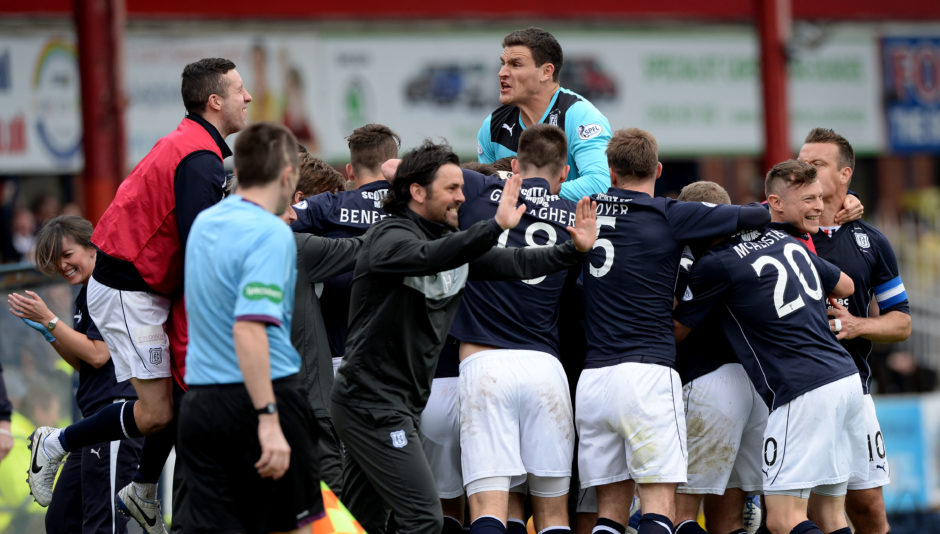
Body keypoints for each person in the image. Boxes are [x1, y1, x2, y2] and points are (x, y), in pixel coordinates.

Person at [25, 57, 251, 534]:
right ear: (215, 101)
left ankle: (144, 488)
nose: (247, 97)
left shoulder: (192, 145)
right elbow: (199, 251)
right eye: (239, 90)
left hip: (141, 291)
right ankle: (57, 444)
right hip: (131, 293)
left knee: (171, 403)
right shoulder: (199, 157)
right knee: (156, 412)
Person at [330, 139, 598, 534]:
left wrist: (572, 251)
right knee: (424, 518)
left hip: (396, 404)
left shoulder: (447, 242)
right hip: (371, 404)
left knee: (355, 521)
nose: (461, 198)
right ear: (418, 192)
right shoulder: (389, 236)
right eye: (452, 190)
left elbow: (515, 261)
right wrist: (493, 227)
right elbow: (428, 258)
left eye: (461, 188)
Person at [575, 128, 771, 534]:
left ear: (610, 172)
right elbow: (758, 213)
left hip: (593, 378)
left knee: (608, 513)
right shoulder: (670, 214)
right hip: (648, 374)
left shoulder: (583, 210)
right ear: (658, 169)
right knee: (661, 508)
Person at [673, 160, 865, 534]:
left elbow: (677, 329)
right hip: (844, 379)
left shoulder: (716, 263)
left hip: (800, 390)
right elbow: (845, 285)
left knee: (782, 520)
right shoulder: (782, 238)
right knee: (828, 515)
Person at [177, 122, 323, 533]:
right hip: (263, 396)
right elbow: (249, 328)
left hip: (203, 403)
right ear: (287, 175)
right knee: (296, 527)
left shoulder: (205, 223)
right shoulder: (271, 232)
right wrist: (269, 418)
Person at [452, 124, 579, 534]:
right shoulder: (573, 216)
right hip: (545, 368)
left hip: (484, 365)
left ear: (515, 165)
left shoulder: (478, 192)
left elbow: (393, 166)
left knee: (489, 507)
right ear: (564, 174)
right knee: (554, 514)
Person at [799, 128, 911, 534]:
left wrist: (857, 325)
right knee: (807, 512)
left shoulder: (871, 241)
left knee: (868, 508)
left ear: (845, 175)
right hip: (795, 394)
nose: (804, 171)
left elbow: (902, 322)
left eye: (817, 165)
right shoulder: (782, 231)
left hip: (854, 392)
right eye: (801, 162)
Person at [9, 215, 143, 533]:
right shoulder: (87, 290)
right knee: (62, 519)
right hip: (93, 419)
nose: (63, 266)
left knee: (104, 524)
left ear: (91, 246)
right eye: (57, 261)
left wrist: (51, 320)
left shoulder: (107, 283)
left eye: (68, 255)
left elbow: (98, 355)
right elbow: (85, 361)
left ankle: (52, 443)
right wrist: (49, 332)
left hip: (116, 414)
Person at [671, 182, 767, 534]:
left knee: (679, 512)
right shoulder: (755, 246)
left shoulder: (682, 253)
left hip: (707, 382)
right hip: (756, 386)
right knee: (727, 520)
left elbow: (677, 327)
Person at [478, 27, 612, 201]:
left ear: (546, 72)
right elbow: (485, 192)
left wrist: (531, 193)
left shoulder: (581, 116)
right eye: (503, 63)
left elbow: (600, 185)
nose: (502, 73)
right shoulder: (491, 126)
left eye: (515, 64)